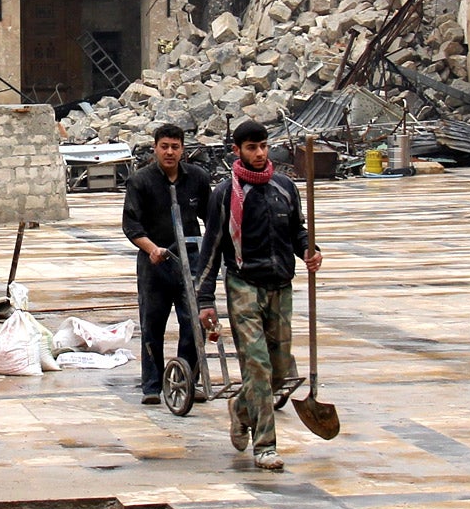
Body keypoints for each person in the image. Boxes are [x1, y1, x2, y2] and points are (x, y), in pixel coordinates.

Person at [196, 118, 322, 471]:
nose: (259, 153)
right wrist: (205, 301)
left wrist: (310, 250)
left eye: (263, 146)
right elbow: (212, 248)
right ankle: (265, 445)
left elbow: (296, 230)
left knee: (280, 371)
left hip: (280, 286)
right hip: (244, 285)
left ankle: (240, 408)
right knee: (257, 366)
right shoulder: (225, 195)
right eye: (251, 147)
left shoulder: (284, 187)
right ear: (237, 151)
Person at [121, 122, 212, 407]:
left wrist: (214, 251)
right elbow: (131, 225)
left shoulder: (197, 178)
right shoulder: (140, 181)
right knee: (153, 324)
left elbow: (211, 219)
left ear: (183, 150)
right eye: (164, 147)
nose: (170, 152)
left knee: (193, 323)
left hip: (191, 260)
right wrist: (151, 249)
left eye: (175, 147)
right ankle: (151, 385)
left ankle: (187, 379)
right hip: (156, 263)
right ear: (155, 148)